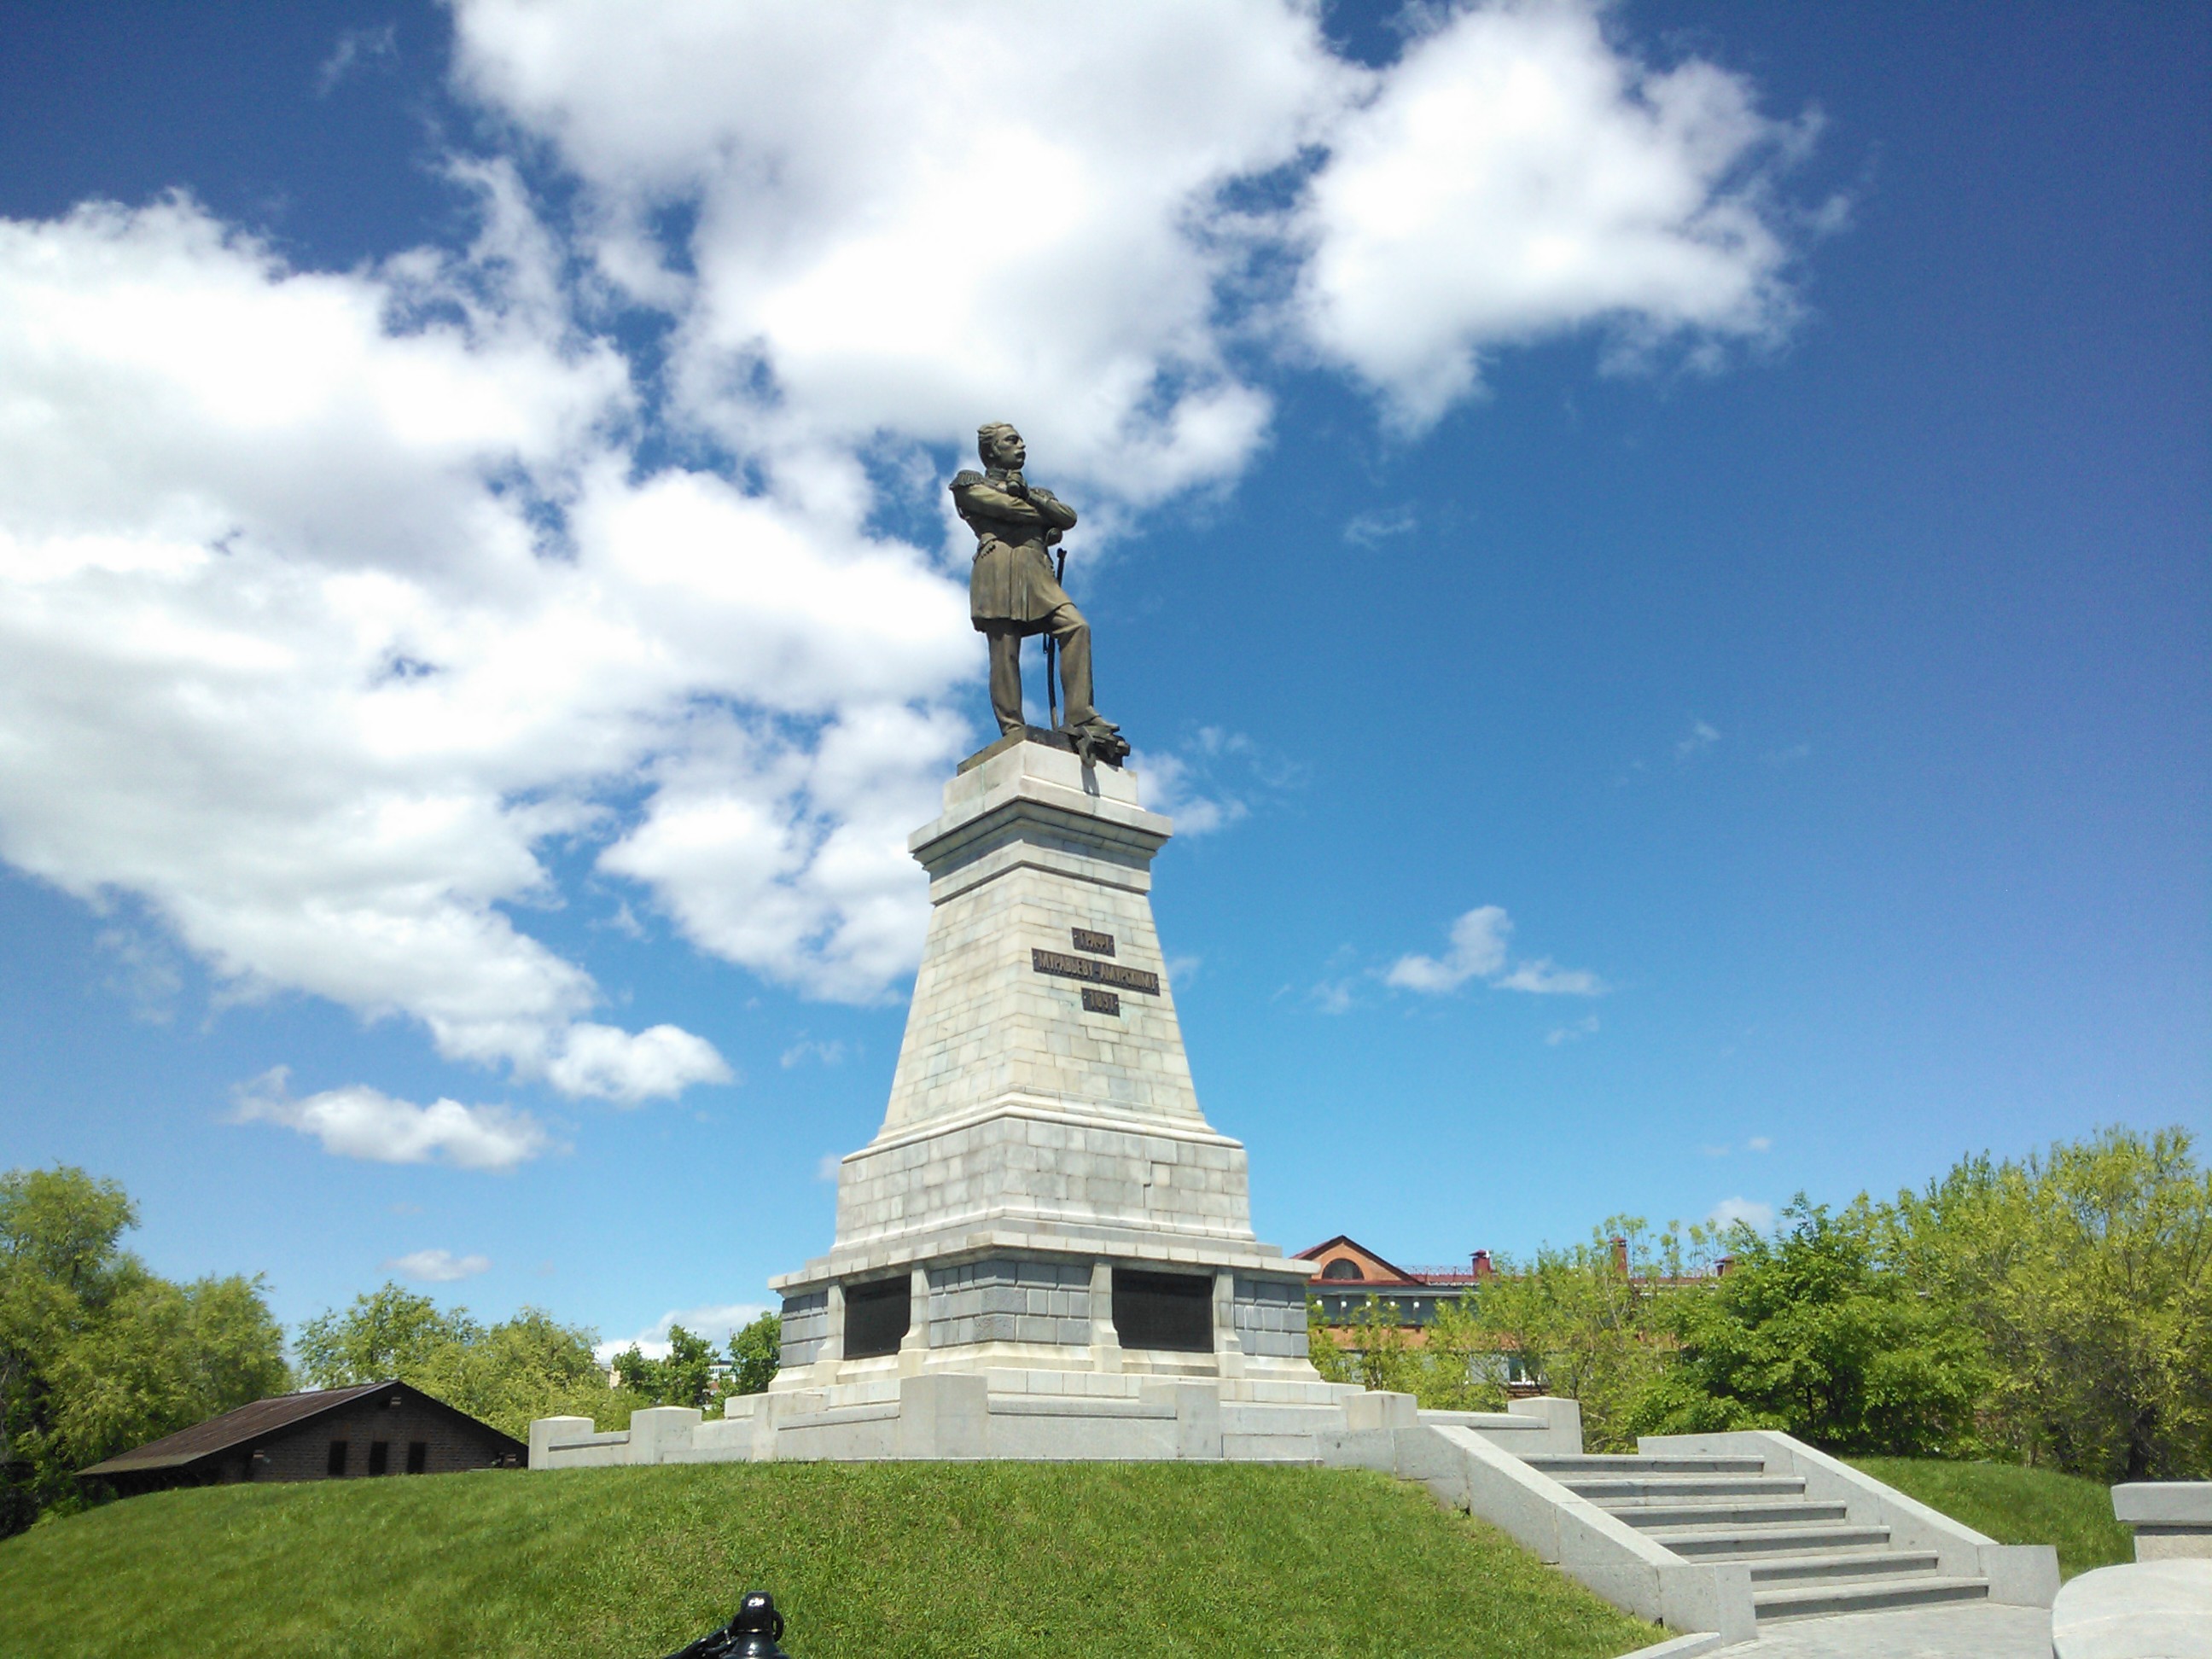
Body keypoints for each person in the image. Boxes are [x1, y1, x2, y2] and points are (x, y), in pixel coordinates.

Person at [950, 422, 1128, 764]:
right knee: (1005, 653)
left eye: (1021, 440)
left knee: (1076, 626)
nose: (1022, 445)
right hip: (998, 569)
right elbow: (1003, 508)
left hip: (1036, 570)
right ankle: (1012, 729)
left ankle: (1080, 714)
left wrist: (1030, 496)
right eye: (1011, 441)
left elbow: (1068, 518)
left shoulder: (1037, 490)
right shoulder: (969, 482)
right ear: (992, 450)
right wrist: (1038, 513)